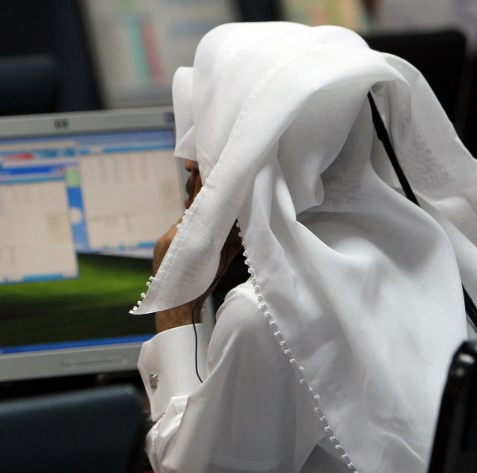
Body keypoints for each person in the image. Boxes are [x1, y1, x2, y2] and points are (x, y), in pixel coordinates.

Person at [130, 22, 477, 473]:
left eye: (200, 168)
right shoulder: (444, 253)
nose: (193, 193)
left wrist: (177, 311)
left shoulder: (266, 315)